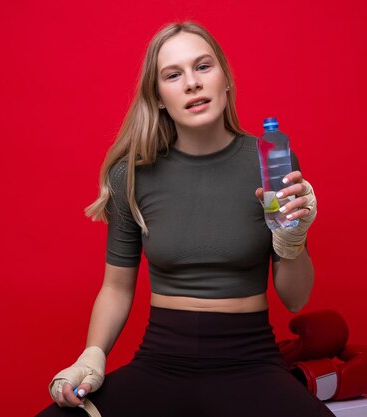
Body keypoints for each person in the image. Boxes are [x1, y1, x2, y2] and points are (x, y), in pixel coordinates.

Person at [36, 21, 333, 417]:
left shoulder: (270, 161)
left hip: (251, 364)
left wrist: (293, 239)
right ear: (159, 97)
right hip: (161, 362)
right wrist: (91, 357)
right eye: (173, 75)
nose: (192, 83)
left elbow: (295, 299)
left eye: (203, 67)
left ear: (225, 79)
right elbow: (117, 288)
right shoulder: (131, 175)